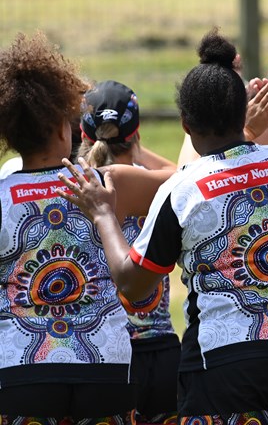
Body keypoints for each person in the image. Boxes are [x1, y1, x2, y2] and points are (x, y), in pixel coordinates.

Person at [60, 28, 268, 423]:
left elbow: (133, 281)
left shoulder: (182, 188)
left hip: (226, 362)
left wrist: (103, 214)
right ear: (242, 113)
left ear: (184, 123)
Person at [0, 33, 157, 421]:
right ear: (61, 127)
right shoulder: (109, 182)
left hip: (21, 367)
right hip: (105, 361)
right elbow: (183, 180)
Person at [77, 80, 180, 425]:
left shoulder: (76, 185)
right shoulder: (156, 183)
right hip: (159, 350)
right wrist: (137, 149)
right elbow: (187, 174)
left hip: (103, 352)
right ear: (136, 133)